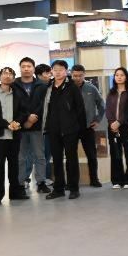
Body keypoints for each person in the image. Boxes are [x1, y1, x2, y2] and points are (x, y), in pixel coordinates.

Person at [42, 60, 86, 200]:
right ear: (52, 71)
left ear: (66, 71)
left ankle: (74, 188)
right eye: (55, 69)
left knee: (71, 159)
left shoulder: (72, 87)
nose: (58, 72)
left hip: (70, 130)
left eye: (61, 69)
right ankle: (58, 189)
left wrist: (80, 129)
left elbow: (80, 109)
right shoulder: (49, 87)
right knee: (56, 159)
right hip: (53, 129)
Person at [0, 67, 30, 205]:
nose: (7, 76)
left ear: (14, 77)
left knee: (14, 165)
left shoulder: (18, 93)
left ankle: (15, 193)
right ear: (0, 76)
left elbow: (24, 111)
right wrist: (6, 125)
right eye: (5, 73)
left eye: (10, 74)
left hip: (14, 136)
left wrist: (17, 122)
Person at [15, 58, 50, 193]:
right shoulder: (14, 85)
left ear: (33, 69)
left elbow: (43, 105)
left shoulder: (41, 86)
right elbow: (15, 106)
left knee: (39, 155)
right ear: (20, 68)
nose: (26, 69)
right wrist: (26, 119)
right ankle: (20, 182)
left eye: (29, 66)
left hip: (37, 126)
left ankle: (41, 182)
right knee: (21, 157)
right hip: (20, 126)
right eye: (23, 66)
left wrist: (33, 118)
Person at [71, 64, 105, 188]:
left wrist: (98, 119)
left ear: (84, 75)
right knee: (71, 156)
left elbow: (101, 104)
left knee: (91, 155)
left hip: (88, 127)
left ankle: (94, 179)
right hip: (71, 128)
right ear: (71, 74)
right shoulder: (67, 88)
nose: (77, 78)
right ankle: (72, 182)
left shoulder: (91, 88)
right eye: (75, 76)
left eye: (80, 76)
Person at [106, 67, 128, 190]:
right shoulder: (111, 93)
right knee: (115, 153)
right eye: (117, 75)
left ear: (126, 77)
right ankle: (116, 180)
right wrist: (112, 123)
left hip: (126, 126)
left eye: (122, 75)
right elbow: (108, 109)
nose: (119, 77)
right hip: (112, 127)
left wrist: (119, 122)